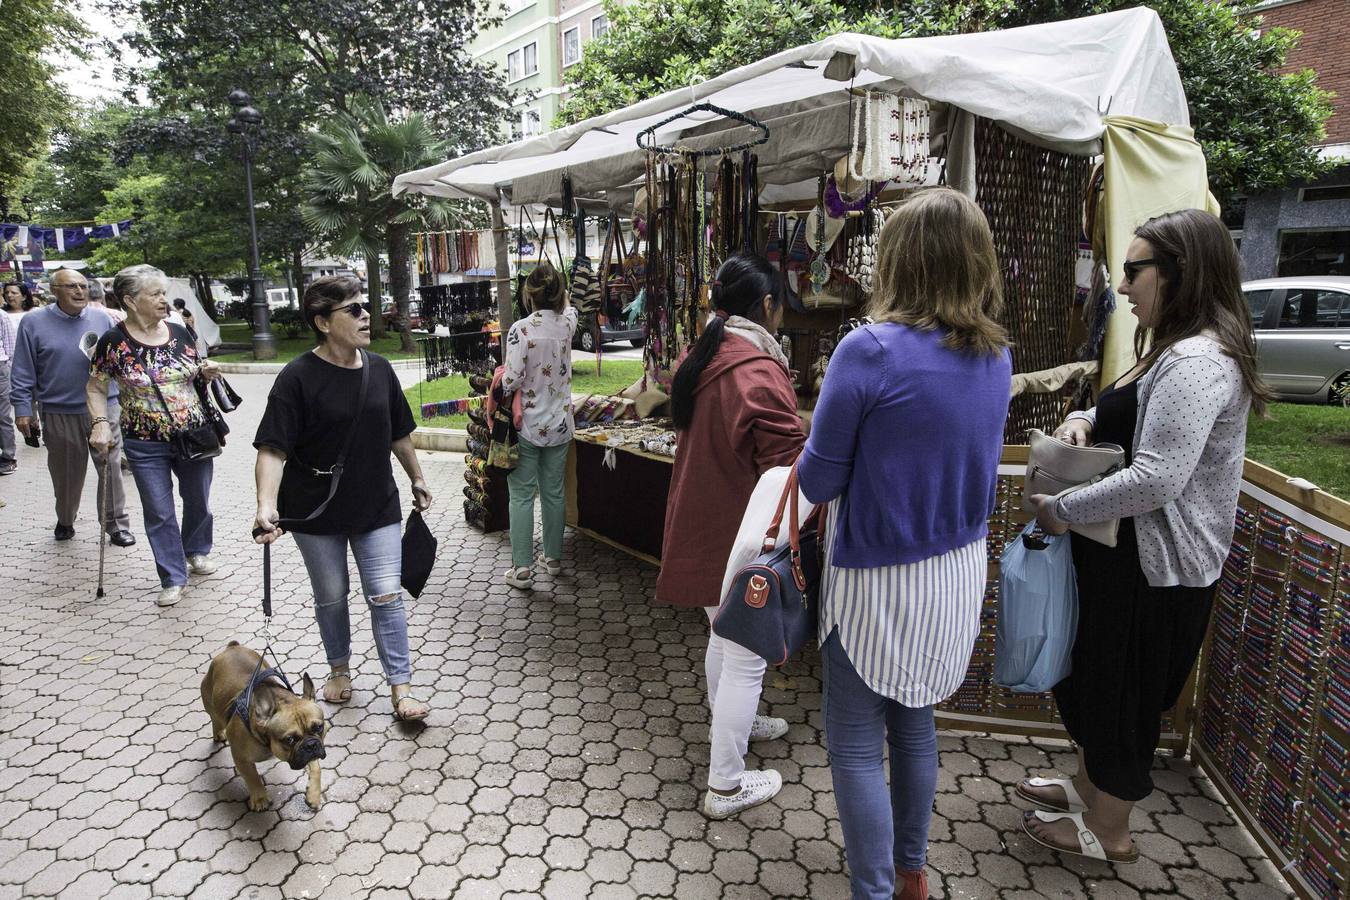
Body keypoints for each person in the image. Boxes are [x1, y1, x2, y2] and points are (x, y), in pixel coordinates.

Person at [1021, 208, 1270, 864]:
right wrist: (1080, 418)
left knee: (1122, 691)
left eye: (1134, 271)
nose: (1123, 287)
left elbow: (1158, 479)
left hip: (1154, 568)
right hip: (1123, 556)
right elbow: (1118, 413)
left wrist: (1062, 508)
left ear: (1180, 272)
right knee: (1096, 680)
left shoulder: (1196, 359)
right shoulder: (1170, 347)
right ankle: (1087, 791)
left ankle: (1109, 830)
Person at [798, 188, 1012, 900]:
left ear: (897, 260)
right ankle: (910, 872)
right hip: (955, 569)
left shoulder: (868, 350)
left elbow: (819, 481)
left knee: (856, 742)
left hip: (877, 571)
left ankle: (874, 890)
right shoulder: (994, 356)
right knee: (916, 724)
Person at [655, 254, 805, 820]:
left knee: (724, 635)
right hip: (742, 527)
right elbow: (787, 462)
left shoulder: (710, 351)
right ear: (766, 306)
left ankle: (731, 725)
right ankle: (726, 783)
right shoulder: (756, 367)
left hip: (707, 519)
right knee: (747, 655)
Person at [253, 275, 433, 722]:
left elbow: (399, 432)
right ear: (322, 322)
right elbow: (273, 449)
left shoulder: (380, 368)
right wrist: (265, 505)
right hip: (315, 510)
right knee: (331, 595)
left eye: (364, 305)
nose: (366, 315)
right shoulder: (296, 377)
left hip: (376, 504)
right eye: (353, 310)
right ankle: (339, 669)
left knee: (386, 595)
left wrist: (417, 477)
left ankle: (401, 688)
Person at [88, 265, 218, 606]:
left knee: (198, 500)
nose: (164, 299)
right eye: (155, 294)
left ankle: (197, 549)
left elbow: (194, 374)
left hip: (193, 434)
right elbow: (95, 388)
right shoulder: (113, 342)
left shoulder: (180, 332)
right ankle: (173, 576)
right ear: (131, 300)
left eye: (163, 293)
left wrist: (206, 372)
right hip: (143, 441)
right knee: (159, 511)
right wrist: (100, 422)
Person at [11, 268, 133, 544]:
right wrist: (22, 408)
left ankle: (115, 524)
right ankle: (66, 518)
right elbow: (22, 369)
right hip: (59, 409)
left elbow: (119, 360)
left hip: (104, 406)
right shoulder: (33, 322)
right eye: (71, 287)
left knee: (111, 466)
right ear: (55, 291)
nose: (80, 291)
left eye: (83, 285)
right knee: (66, 471)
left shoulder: (102, 318)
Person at [500, 261, 577, 590]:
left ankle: (521, 570)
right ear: (559, 293)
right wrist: (566, 298)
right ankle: (554, 559)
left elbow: (511, 379)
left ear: (529, 294)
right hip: (560, 424)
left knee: (520, 495)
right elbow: (571, 310)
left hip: (527, 425)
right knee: (554, 492)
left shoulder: (520, 329)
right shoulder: (567, 325)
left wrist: (501, 381)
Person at [0, 301, 15, 474]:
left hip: (1, 369)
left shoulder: (2, 316)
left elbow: (11, 349)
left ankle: (8, 456)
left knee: (3, 415)